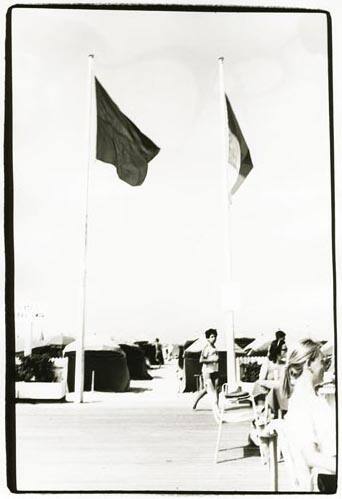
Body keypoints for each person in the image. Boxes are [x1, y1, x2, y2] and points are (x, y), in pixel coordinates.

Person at [281, 339, 336, 492]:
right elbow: (311, 456)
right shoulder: (300, 404)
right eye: (322, 362)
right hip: (329, 478)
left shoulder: (314, 399)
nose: (325, 367)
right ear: (308, 365)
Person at [195, 329, 220, 423]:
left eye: (215, 336)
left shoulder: (215, 347)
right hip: (207, 371)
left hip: (215, 369)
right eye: (212, 337)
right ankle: (196, 401)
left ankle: (217, 407)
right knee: (208, 390)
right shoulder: (206, 348)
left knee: (217, 388)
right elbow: (201, 360)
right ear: (208, 338)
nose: (214, 338)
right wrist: (212, 360)